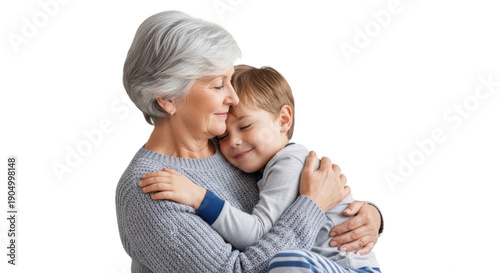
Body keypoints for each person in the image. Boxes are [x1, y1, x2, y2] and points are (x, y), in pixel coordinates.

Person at [116, 10, 382, 273]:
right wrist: (313, 205)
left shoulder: (233, 150)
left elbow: (291, 198)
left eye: (230, 80)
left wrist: (365, 217)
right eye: (218, 85)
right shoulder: (150, 189)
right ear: (167, 99)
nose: (233, 97)